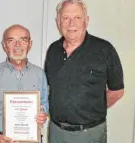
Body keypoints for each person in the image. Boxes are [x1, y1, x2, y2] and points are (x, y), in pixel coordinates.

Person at [44, 0, 124, 143]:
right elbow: (50, 88)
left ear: (86, 21)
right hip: (56, 132)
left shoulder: (105, 50)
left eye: (77, 17)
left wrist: (90, 109)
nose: (71, 24)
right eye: (66, 18)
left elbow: (117, 91)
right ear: (58, 22)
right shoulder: (53, 50)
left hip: (90, 133)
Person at [0, 24, 49, 143]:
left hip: (32, 138)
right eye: (11, 40)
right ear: (4, 45)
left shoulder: (40, 74)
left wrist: (43, 114)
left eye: (23, 40)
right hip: (2, 139)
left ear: (30, 45)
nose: (18, 45)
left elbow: (44, 103)